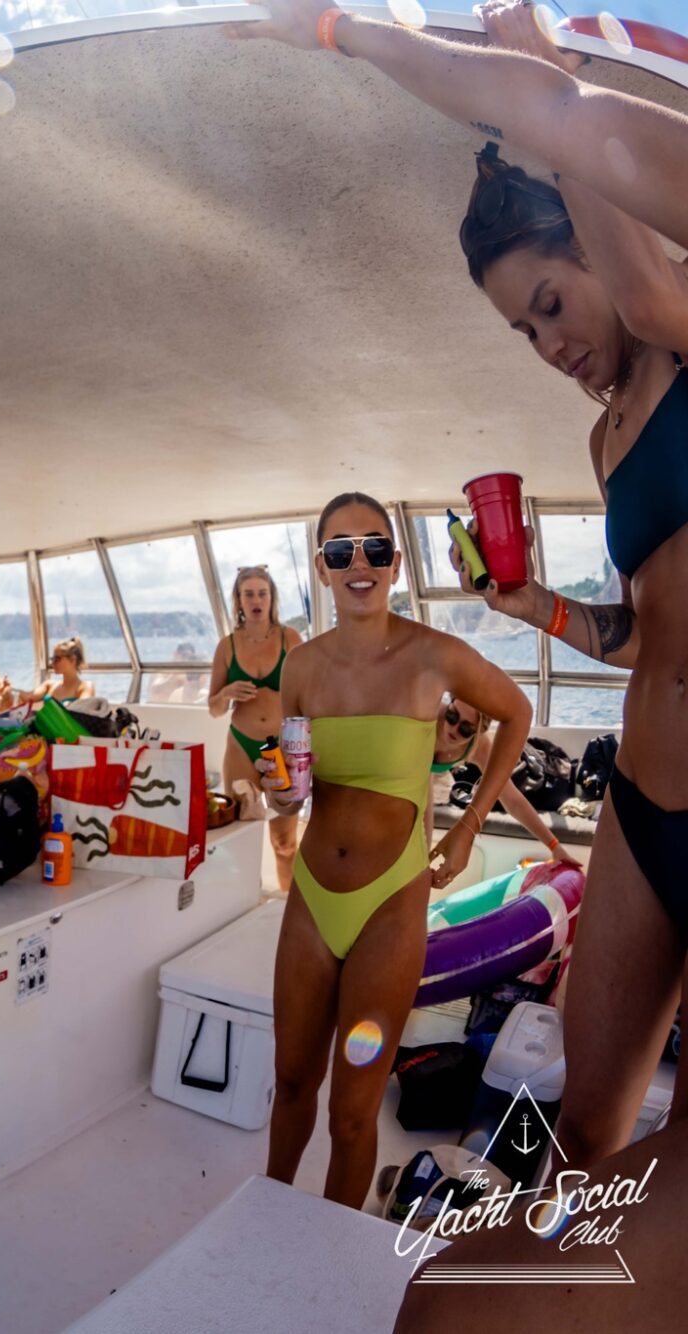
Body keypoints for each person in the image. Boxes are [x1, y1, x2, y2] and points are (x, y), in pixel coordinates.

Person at [243, 0, 688, 1199]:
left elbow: (568, 138)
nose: (545, 345)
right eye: (517, 331)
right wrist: (528, 599)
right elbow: (639, 636)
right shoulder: (606, 446)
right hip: (642, 807)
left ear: (597, 243)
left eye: (548, 302)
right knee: (586, 1131)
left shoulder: (679, 323)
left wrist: (350, 33)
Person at [257, 493, 531, 1212]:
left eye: (375, 548)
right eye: (341, 551)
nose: (360, 563)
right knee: (290, 1083)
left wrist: (470, 824)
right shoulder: (300, 670)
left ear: (396, 563)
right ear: (321, 568)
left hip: (390, 907)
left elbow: (516, 712)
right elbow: (294, 784)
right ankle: (263, 1228)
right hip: (313, 903)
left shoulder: (433, 656)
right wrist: (279, 798)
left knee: (353, 1113)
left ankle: (328, 1266)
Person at [207, 566, 307, 887]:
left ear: (271, 598)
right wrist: (226, 693)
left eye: (262, 593)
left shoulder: (289, 638)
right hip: (240, 745)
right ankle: (237, 908)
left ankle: (283, 915)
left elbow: (309, 693)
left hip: (281, 749)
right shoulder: (227, 646)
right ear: (238, 601)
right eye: (248, 593)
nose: (256, 600)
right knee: (236, 842)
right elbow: (213, 709)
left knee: (285, 844)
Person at [428, 694, 580, 868]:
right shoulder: (429, 716)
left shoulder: (478, 746)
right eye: (452, 716)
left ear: (480, 730)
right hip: (408, 773)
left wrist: (555, 847)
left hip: (423, 779)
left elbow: (512, 799)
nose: (454, 729)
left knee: (420, 864)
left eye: (465, 729)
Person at [22, 636, 94, 705]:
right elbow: (27, 697)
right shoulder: (48, 686)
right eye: (52, 659)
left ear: (72, 659)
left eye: (57, 659)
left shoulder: (85, 687)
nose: (53, 663)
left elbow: (82, 709)